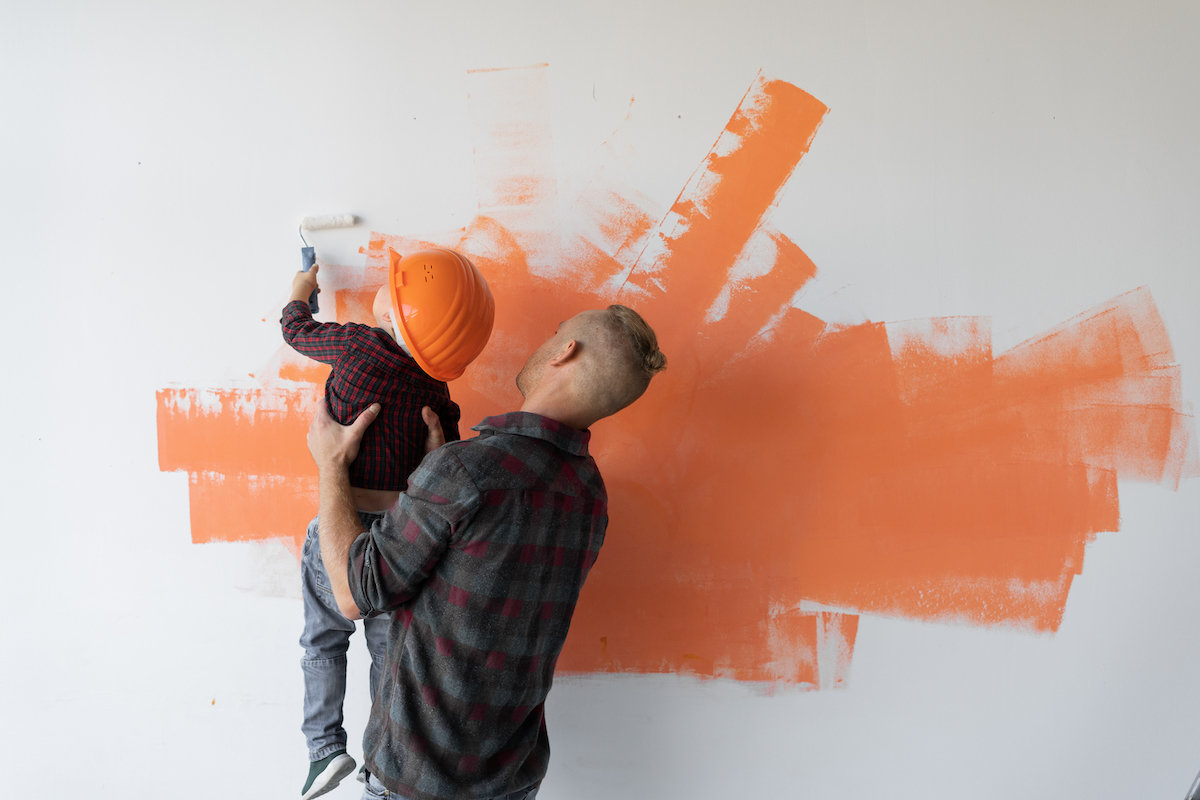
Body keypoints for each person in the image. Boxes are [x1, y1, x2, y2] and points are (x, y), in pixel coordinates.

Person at [306, 305, 666, 800]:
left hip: (417, 780)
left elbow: (352, 596)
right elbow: (483, 578)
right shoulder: (589, 495)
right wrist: (436, 473)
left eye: (555, 329)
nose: (547, 339)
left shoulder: (466, 472)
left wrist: (330, 464)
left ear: (567, 351)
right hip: (511, 780)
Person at [283, 249, 494, 800]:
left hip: (340, 524)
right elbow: (448, 455)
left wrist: (301, 286)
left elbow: (295, 329)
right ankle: (381, 751)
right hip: (397, 541)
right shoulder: (436, 393)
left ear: (398, 311)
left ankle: (325, 749)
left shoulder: (355, 344)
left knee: (323, 640)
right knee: (388, 651)